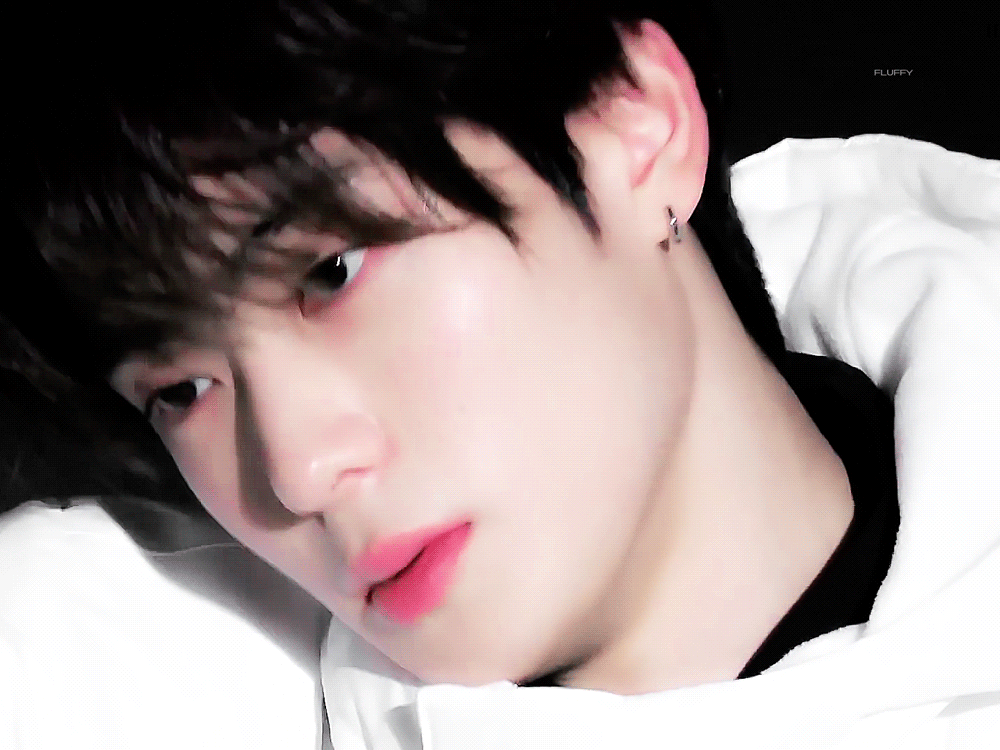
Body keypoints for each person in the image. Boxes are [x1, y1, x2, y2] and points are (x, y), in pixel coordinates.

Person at [13, 2, 997, 745]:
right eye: (179, 390)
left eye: (332, 271)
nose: (296, 472)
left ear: (633, 121)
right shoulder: (96, 674)